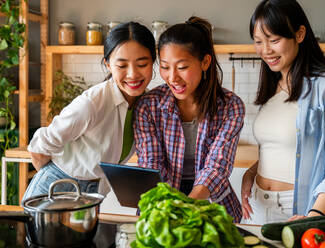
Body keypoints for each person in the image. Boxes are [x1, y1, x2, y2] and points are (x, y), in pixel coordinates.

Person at [241, 0, 325, 225]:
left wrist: (314, 216)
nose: (265, 50)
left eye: (274, 40)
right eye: (258, 42)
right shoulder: (271, 86)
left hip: (304, 208)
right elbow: (285, 147)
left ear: (300, 34)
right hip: (256, 207)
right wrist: (251, 172)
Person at [23, 22, 156, 200]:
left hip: (94, 191)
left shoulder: (146, 104)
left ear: (153, 62)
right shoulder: (93, 102)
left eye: (142, 64)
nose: (132, 74)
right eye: (122, 66)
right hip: (57, 186)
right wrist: (53, 177)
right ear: (108, 65)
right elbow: (40, 146)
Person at [134, 16, 245, 222]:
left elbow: (217, 166)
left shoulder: (231, 106)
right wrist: (171, 211)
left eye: (182, 67)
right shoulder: (148, 106)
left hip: (212, 206)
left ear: (205, 62)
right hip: (162, 205)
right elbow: (151, 164)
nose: (172, 77)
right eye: (165, 67)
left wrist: (187, 208)